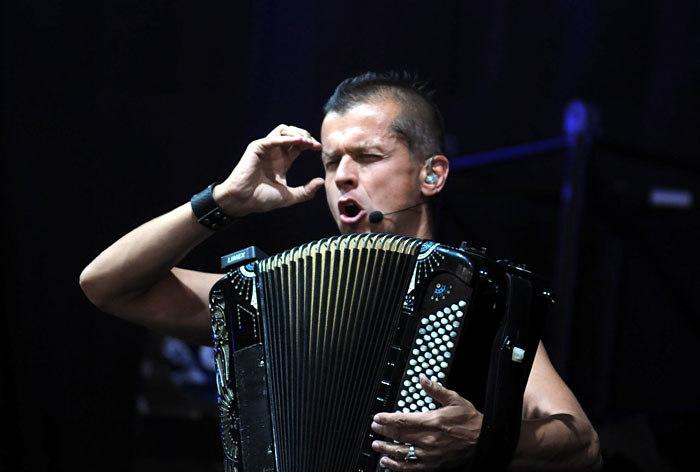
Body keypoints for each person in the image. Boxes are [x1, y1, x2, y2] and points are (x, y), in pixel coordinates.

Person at [80, 72, 602, 471]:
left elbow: (584, 445)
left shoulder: (477, 298)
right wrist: (224, 202)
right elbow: (108, 285)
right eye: (332, 162)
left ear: (432, 175)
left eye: (368, 157)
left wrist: (483, 438)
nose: (344, 177)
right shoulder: (274, 296)